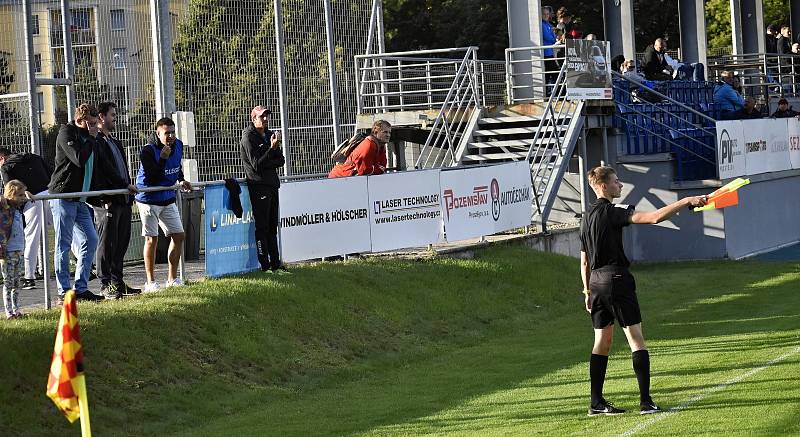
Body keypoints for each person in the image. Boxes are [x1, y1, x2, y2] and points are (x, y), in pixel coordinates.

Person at [580, 166, 706, 416]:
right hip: (616, 278)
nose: (620, 185)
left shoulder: (585, 217)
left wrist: (586, 290)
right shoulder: (613, 211)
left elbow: (584, 260)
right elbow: (654, 217)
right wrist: (685, 200)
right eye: (616, 182)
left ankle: (596, 403)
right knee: (636, 339)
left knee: (601, 342)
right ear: (603, 186)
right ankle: (646, 402)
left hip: (595, 282)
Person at [48, 104, 105, 302]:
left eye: (95, 124)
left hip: (81, 200)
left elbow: (95, 167)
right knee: (63, 244)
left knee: (91, 240)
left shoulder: (91, 138)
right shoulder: (66, 133)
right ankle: (63, 290)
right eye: (90, 124)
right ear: (79, 120)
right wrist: (90, 137)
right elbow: (79, 159)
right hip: (64, 197)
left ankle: (80, 288)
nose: (94, 127)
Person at [135, 117, 192, 292]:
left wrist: (181, 180)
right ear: (157, 133)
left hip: (167, 198)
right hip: (148, 199)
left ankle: (172, 279)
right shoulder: (148, 150)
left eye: (173, 132)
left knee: (179, 235)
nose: (171, 136)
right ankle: (151, 282)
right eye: (167, 133)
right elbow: (152, 177)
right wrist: (162, 158)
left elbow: (177, 166)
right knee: (152, 239)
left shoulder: (179, 145)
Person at [93, 102, 140, 299]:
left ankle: (117, 281)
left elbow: (122, 169)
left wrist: (127, 188)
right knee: (107, 244)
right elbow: (102, 171)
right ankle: (105, 284)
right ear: (102, 117)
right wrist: (107, 196)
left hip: (123, 200)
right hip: (108, 201)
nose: (115, 118)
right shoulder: (97, 142)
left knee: (121, 242)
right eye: (112, 115)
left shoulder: (114, 141)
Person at [240, 105, 289, 274]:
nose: (266, 119)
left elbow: (281, 160)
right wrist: (271, 150)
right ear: (253, 118)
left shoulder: (269, 134)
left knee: (272, 226)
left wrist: (271, 154)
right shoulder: (248, 137)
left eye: (267, 116)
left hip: (272, 184)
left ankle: (276, 264)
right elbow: (256, 165)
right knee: (262, 227)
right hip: (258, 186)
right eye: (262, 117)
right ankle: (265, 265)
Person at [0, 147, 52, 290]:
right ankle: (87, 262)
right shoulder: (35, 157)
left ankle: (29, 276)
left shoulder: (6, 167)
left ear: (2, 158)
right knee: (64, 230)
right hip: (51, 194)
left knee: (32, 237)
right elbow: (51, 173)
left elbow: (9, 190)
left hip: (32, 200)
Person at [0, 180, 28, 319]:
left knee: (17, 283)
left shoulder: (19, 210)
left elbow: (27, 198)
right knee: (8, 283)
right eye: (20, 195)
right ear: (11, 195)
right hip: (8, 252)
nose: (23, 198)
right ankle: (8, 312)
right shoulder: (5, 209)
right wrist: (3, 198)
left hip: (19, 251)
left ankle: (17, 310)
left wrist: (28, 194)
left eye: (24, 195)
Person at [540, 6, 559, 95]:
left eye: (547, 14)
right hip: (547, 53)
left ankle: (550, 94)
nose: (546, 15)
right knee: (554, 74)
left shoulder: (548, 24)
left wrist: (554, 38)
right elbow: (548, 37)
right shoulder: (542, 25)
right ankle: (556, 94)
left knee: (549, 75)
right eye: (544, 14)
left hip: (550, 52)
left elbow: (553, 36)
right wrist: (554, 39)